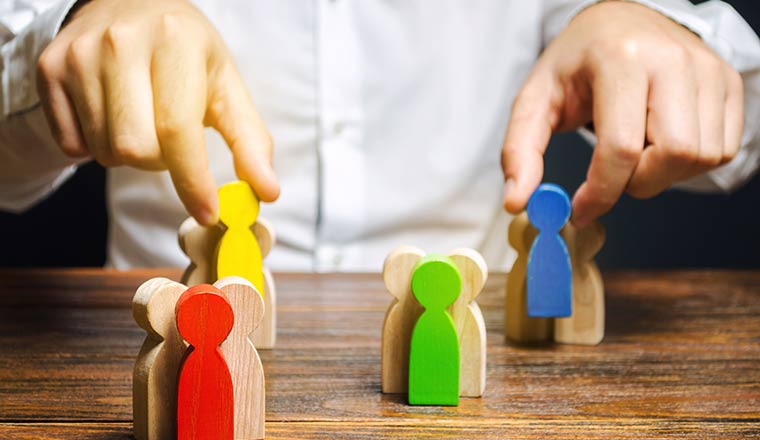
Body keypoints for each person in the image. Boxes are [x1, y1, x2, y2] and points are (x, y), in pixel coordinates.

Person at [0, 0, 758, 272]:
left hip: (484, 370)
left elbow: (744, 121)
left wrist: (656, 25)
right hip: (165, 331)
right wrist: (60, 41)